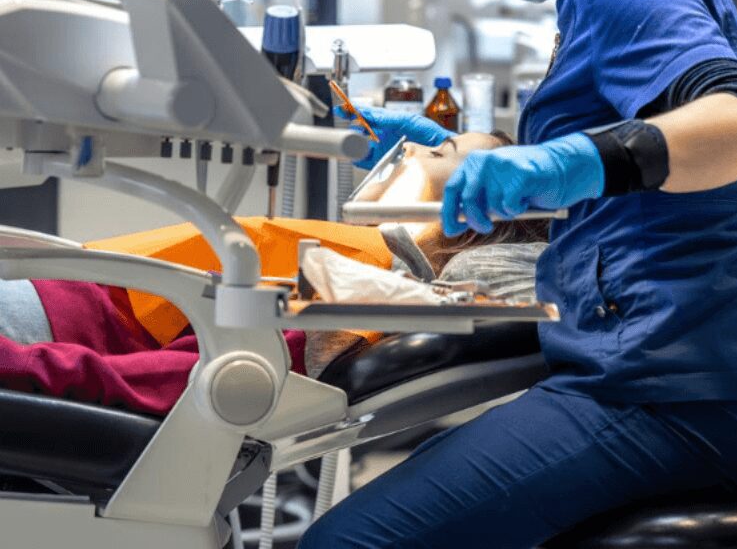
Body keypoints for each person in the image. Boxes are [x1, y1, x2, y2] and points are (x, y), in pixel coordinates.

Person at [301, 0, 737, 549]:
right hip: (663, 372)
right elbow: (618, 180)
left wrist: (568, 162)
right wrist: (470, 152)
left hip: (680, 390)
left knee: (346, 543)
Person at [0, 131, 544, 413]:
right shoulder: (362, 263)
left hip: (50, 327)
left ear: (478, 212)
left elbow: (172, 377)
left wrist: (19, 363)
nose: (417, 147)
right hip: (67, 295)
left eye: (444, 149)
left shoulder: (353, 295)